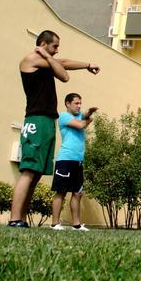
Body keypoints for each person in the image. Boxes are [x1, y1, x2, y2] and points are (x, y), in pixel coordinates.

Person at [10, 30, 100, 228]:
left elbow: (64, 63)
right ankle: (14, 219)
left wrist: (87, 65)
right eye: (54, 46)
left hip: (47, 120)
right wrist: (48, 56)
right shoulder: (31, 59)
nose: (57, 51)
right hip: (37, 119)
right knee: (28, 171)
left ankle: (22, 219)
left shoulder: (47, 60)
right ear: (43, 44)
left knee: (37, 173)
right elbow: (64, 75)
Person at [50, 93, 98, 231]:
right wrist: (88, 119)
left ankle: (76, 224)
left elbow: (86, 115)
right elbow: (81, 125)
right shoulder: (64, 116)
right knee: (61, 192)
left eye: (80, 103)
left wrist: (90, 112)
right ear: (67, 104)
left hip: (78, 161)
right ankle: (55, 223)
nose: (78, 106)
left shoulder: (78, 115)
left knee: (77, 193)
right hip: (65, 159)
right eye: (76, 103)